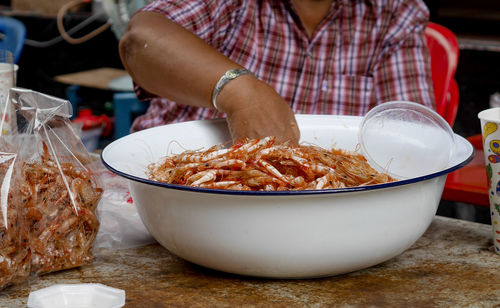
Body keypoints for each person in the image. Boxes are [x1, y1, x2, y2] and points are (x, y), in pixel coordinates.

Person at [119, 0, 435, 144]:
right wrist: (238, 90)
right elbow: (139, 41)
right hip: (173, 197)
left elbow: (415, 139)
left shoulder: (395, 13)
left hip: (322, 213)